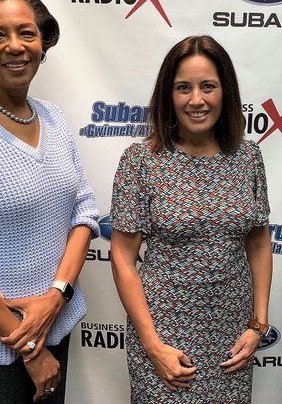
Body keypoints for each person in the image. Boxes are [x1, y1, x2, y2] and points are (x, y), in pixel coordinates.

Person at [110, 35, 272, 403]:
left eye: (208, 87)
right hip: (165, 338)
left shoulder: (248, 157)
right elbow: (122, 257)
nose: (196, 100)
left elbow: (259, 242)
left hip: (233, 338)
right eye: (183, 87)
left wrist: (258, 324)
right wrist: (152, 346)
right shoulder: (141, 161)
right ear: (168, 95)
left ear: (225, 92)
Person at [0, 0, 99, 403]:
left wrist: (56, 296)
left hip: (55, 327)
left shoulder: (54, 119)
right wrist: (28, 346)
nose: (15, 46)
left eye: (27, 32)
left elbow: (84, 210)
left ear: (43, 42)